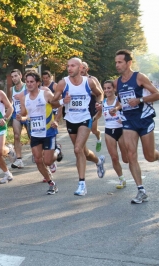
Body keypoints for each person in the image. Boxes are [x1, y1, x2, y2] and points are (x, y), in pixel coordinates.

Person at [112, 49, 159, 204]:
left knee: (149, 156)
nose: (117, 65)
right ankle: (141, 191)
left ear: (128, 63)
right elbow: (121, 101)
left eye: (120, 62)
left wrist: (139, 100)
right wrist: (116, 107)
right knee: (131, 154)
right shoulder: (117, 82)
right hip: (128, 121)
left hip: (144, 119)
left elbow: (158, 95)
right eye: (116, 62)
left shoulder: (139, 77)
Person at [51, 57, 105, 196]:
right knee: (83, 152)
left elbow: (99, 94)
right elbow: (53, 102)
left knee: (77, 149)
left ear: (80, 67)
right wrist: (64, 100)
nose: (69, 68)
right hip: (70, 119)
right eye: (68, 66)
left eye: (73, 66)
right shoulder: (63, 83)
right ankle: (98, 161)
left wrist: (99, 103)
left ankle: (82, 184)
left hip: (85, 118)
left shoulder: (89, 82)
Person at [17, 72, 63, 194]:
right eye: (27, 82)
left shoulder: (46, 94)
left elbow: (58, 105)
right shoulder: (24, 97)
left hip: (48, 131)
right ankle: (51, 183)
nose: (29, 84)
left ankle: (57, 150)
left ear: (38, 83)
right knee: (38, 160)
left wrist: (57, 121)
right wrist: (20, 117)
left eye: (32, 82)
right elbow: (24, 114)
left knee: (47, 161)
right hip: (35, 132)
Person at [93, 80, 128, 189]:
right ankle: (121, 179)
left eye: (109, 88)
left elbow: (127, 110)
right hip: (109, 131)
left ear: (114, 89)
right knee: (114, 157)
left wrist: (123, 120)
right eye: (105, 88)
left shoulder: (119, 100)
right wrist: (92, 118)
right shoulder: (102, 103)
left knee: (126, 158)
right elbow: (98, 115)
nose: (107, 90)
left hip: (121, 130)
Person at [7, 69, 29, 169]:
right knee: (16, 135)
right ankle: (19, 159)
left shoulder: (27, 86)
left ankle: (38, 155)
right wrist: (8, 110)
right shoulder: (12, 89)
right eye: (12, 77)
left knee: (31, 136)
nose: (14, 78)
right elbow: (11, 102)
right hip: (16, 114)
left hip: (27, 114)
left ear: (20, 76)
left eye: (16, 76)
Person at [81, 62, 103, 152]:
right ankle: (83, 148)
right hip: (82, 109)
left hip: (92, 106)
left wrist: (99, 103)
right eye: (80, 68)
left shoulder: (92, 79)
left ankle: (99, 139)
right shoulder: (76, 80)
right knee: (83, 130)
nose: (81, 70)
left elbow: (101, 92)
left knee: (93, 130)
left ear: (87, 69)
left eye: (83, 68)